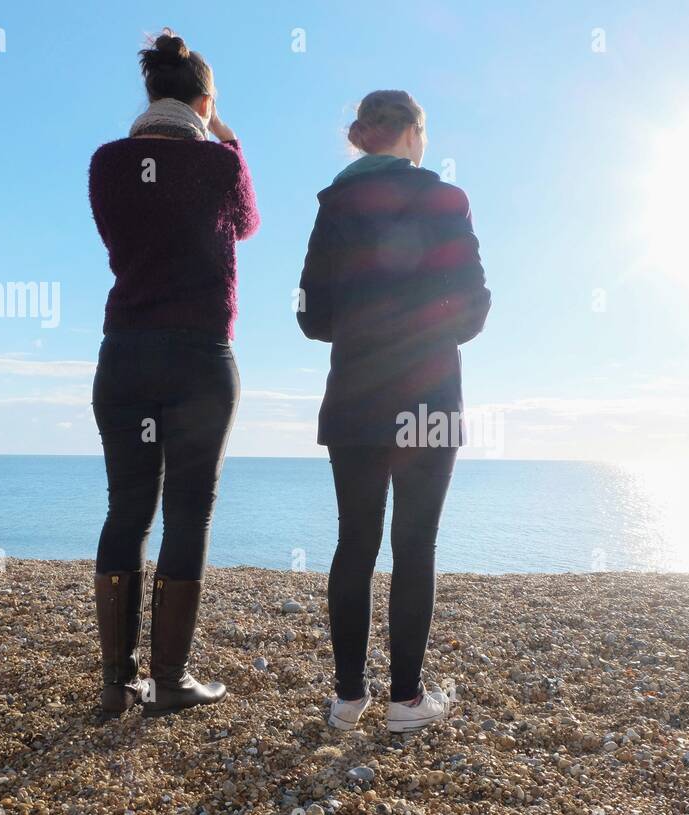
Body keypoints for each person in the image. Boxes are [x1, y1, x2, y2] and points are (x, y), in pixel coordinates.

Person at [296, 90, 490, 733]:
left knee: (355, 542)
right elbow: (473, 306)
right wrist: (425, 331)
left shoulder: (333, 204)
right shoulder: (446, 199)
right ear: (413, 134)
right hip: (428, 395)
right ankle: (405, 702)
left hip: (355, 394)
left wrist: (363, 328)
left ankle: (348, 698)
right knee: (415, 546)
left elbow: (310, 316)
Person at [87, 29, 258, 719]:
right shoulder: (220, 165)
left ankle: (113, 683)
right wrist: (229, 139)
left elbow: (117, 235)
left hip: (124, 351)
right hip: (198, 357)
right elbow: (245, 224)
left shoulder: (107, 163)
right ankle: (169, 681)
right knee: (188, 513)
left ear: (149, 91)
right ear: (205, 100)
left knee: (127, 509)